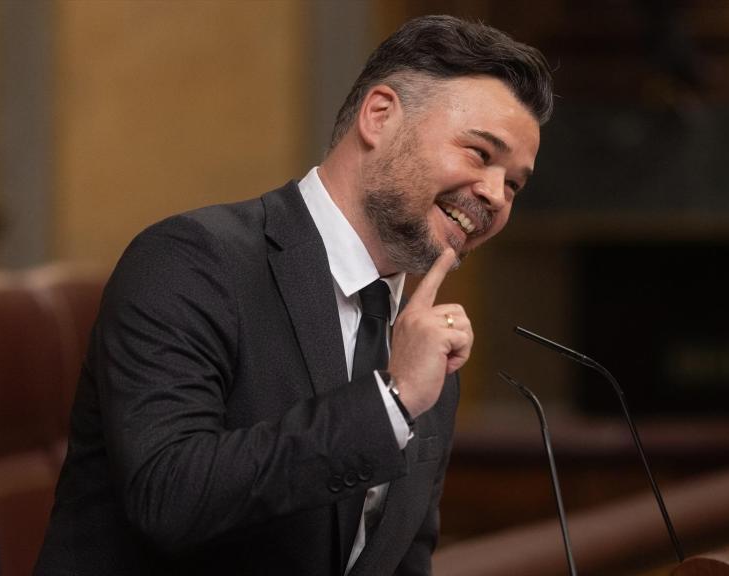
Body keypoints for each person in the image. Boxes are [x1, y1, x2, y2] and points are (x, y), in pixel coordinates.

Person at [35, 14, 553, 576]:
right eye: (480, 154)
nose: (496, 197)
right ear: (379, 116)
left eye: (515, 184)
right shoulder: (191, 259)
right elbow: (168, 495)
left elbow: (405, 559)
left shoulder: (423, 338)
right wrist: (394, 400)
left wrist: (403, 390)